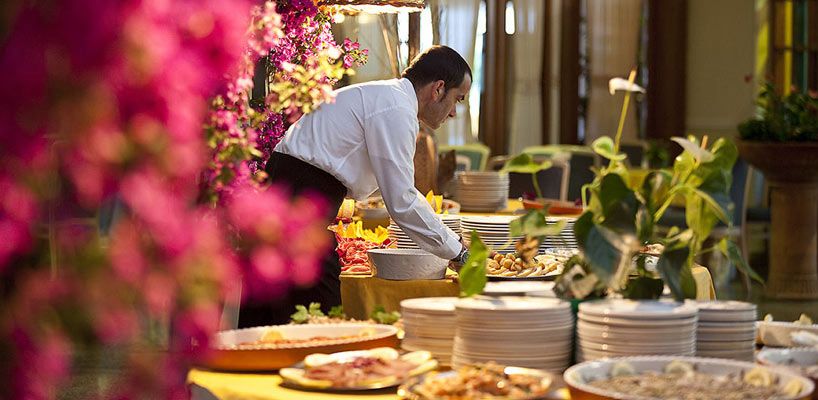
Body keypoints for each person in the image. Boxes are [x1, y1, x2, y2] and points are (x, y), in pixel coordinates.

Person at [237, 45, 472, 327]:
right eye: (458, 99)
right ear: (438, 89)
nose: (454, 113)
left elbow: (394, 190)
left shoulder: (389, 98)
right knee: (317, 315)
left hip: (293, 189)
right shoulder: (396, 108)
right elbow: (402, 201)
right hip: (299, 196)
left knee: (274, 311)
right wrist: (458, 251)